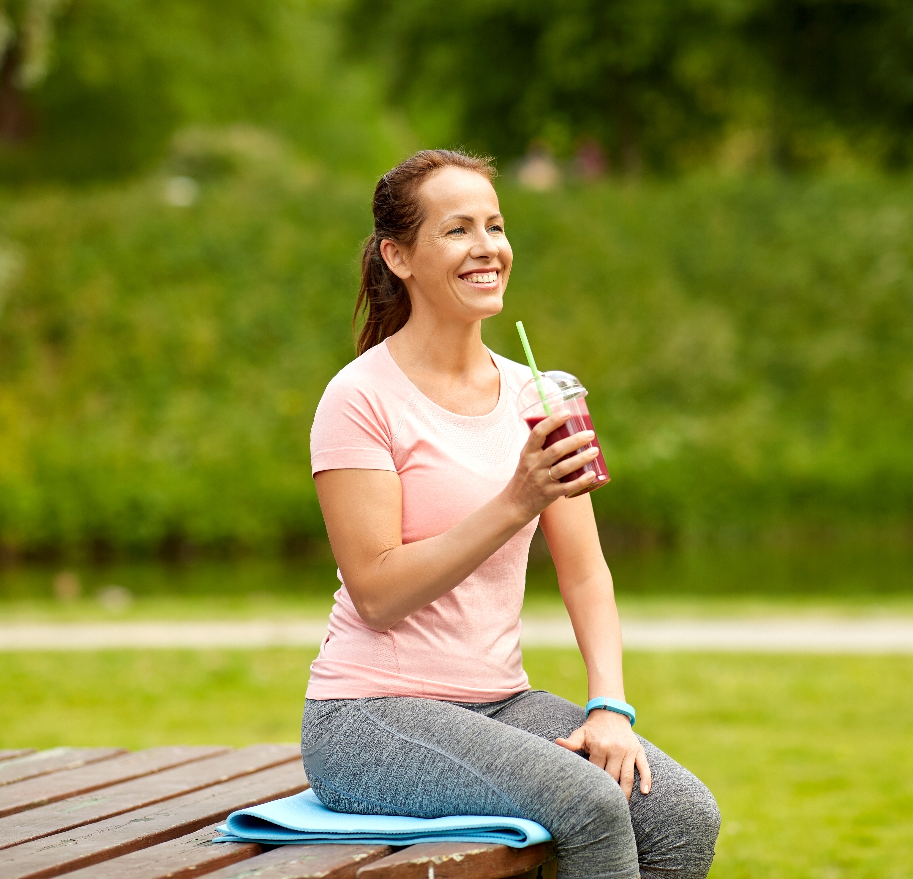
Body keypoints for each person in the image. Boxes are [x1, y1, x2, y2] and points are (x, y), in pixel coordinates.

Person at [302, 149, 720, 879]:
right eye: (458, 230)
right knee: (591, 804)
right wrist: (515, 500)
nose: (487, 247)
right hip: (370, 714)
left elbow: (586, 574)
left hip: (500, 701)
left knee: (683, 814)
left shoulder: (538, 395)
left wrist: (609, 707)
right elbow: (378, 590)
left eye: (494, 225)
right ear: (399, 256)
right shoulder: (359, 398)